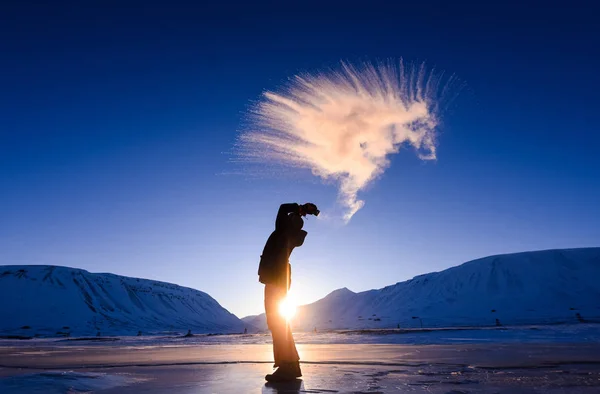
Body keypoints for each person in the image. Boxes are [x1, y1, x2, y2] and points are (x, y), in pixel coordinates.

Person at [258, 202, 319, 382]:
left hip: (276, 279)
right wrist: (301, 212)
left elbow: (283, 208)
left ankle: (287, 366)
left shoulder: (282, 231)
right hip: (280, 279)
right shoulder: (292, 235)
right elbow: (285, 212)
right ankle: (291, 365)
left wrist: (298, 207)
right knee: (280, 323)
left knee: (277, 323)